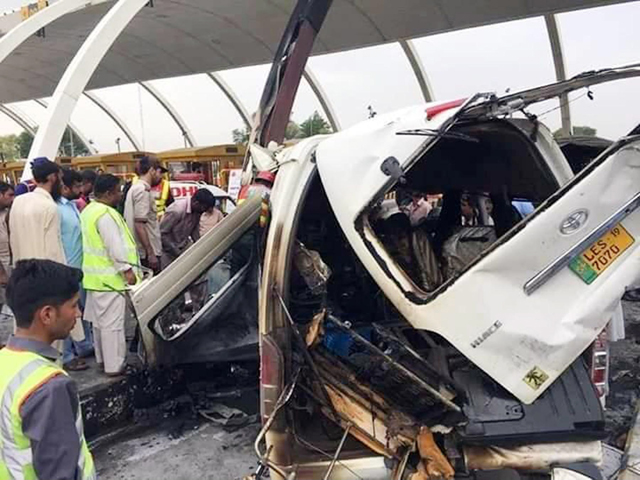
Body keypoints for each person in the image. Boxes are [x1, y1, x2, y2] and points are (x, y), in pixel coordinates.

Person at [1, 259, 96, 480]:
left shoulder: (5, 363)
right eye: (73, 305)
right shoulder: (49, 387)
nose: (79, 313)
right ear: (47, 315)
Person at [82, 174, 140, 376]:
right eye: (118, 191)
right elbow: (114, 247)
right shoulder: (105, 214)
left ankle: (102, 360)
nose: (120, 195)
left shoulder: (89, 211)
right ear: (108, 193)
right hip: (111, 280)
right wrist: (127, 271)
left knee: (99, 325)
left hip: (95, 279)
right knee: (112, 326)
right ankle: (114, 366)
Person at [58, 169, 93, 371]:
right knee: (68, 313)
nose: (81, 190)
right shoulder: (56, 209)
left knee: (81, 312)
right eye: (77, 186)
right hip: (67, 268)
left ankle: (84, 347)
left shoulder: (72, 206)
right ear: (65, 187)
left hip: (80, 269)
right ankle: (68, 355)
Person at [9, 157, 66, 264]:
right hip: (44, 275)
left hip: (22, 272)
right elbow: (53, 250)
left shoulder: (18, 202)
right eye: (60, 178)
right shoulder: (49, 207)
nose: (62, 183)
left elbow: (13, 241)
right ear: (52, 177)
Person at [124, 156, 165, 274]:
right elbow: (139, 224)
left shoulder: (135, 188)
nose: (161, 176)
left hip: (141, 252)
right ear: (152, 170)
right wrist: (150, 253)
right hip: (146, 254)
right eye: (159, 172)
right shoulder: (142, 191)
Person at [160, 188, 216, 267]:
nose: (203, 211)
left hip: (182, 246)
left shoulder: (197, 211)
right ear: (196, 203)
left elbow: (194, 231)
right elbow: (162, 234)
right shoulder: (177, 210)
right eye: (203, 208)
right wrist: (176, 251)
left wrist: (201, 247)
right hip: (168, 251)